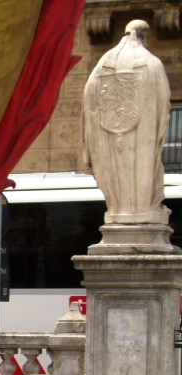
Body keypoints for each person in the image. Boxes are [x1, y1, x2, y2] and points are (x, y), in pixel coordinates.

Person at [82, 19, 171, 226]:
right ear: (144, 36)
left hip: (108, 136)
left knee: (114, 173)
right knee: (143, 168)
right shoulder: (152, 63)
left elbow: (88, 106)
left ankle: (118, 210)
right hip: (143, 134)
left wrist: (89, 144)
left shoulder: (99, 67)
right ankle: (143, 210)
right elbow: (163, 104)